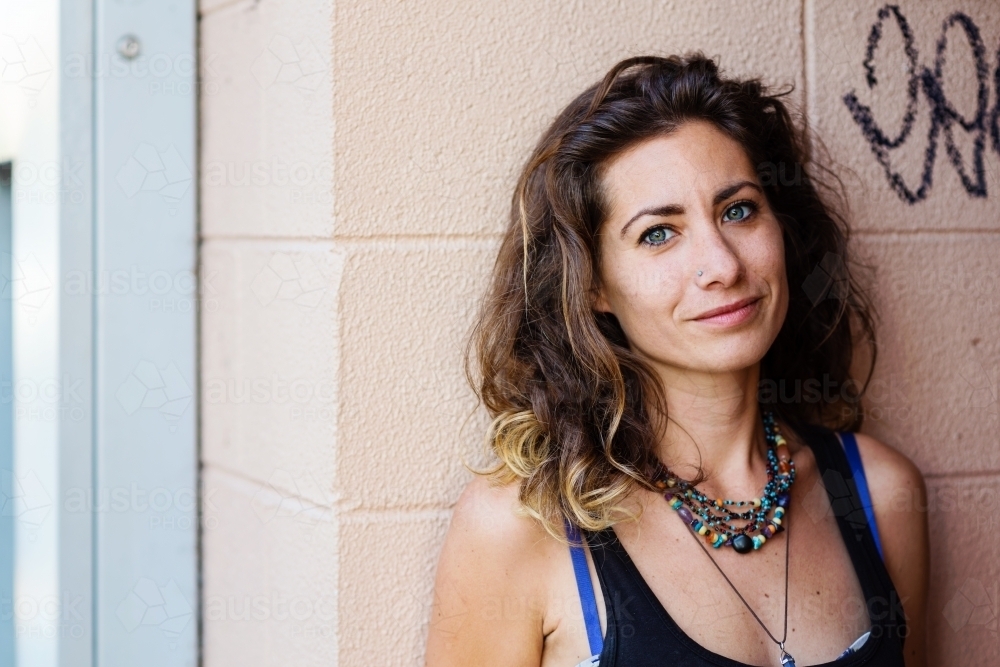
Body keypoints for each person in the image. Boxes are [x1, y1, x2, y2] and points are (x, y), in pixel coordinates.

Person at [425, 54, 929, 667]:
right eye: (658, 233)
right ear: (593, 286)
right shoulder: (525, 525)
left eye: (738, 210)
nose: (722, 266)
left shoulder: (880, 496)